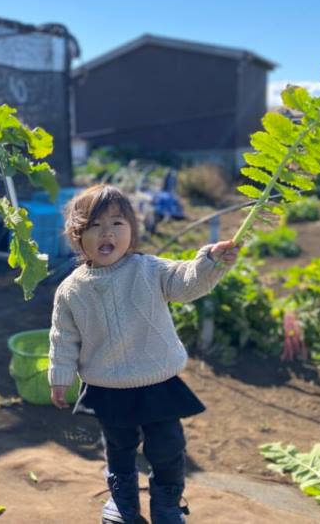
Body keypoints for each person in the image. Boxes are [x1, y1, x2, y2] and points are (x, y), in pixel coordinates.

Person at [48, 184, 240, 524]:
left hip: (156, 380)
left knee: (167, 446)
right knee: (118, 447)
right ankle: (123, 504)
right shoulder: (70, 290)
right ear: (77, 236)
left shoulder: (149, 269)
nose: (107, 232)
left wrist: (209, 262)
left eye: (118, 224)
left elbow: (185, 282)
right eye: (95, 225)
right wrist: (60, 378)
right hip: (107, 386)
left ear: (132, 232)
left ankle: (166, 504)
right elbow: (63, 338)